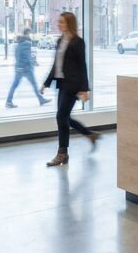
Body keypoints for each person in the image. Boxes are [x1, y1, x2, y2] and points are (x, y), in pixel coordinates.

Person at [41, 12, 99, 166]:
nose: (59, 24)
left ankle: (62, 153)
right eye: (59, 21)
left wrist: (84, 89)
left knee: (61, 116)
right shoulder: (60, 40)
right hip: (62, 84)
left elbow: (82, 66)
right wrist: (46, 83)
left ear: (69, 24)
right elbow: (56, 64)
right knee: (64, 117)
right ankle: (89, 134)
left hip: (73, 85)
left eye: (62, 22)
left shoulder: (78, 42)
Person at [6, 28, 51, 109]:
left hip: (20, 68)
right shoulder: (27, 43)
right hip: (26, 68)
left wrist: (19, 66)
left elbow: (18, 55)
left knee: (15, 84)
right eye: (30, 33)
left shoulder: (19, 42)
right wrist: (31, 63)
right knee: (33, 84)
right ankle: (41, 99)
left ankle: (9, 101)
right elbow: (26, 57)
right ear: (27, 33)